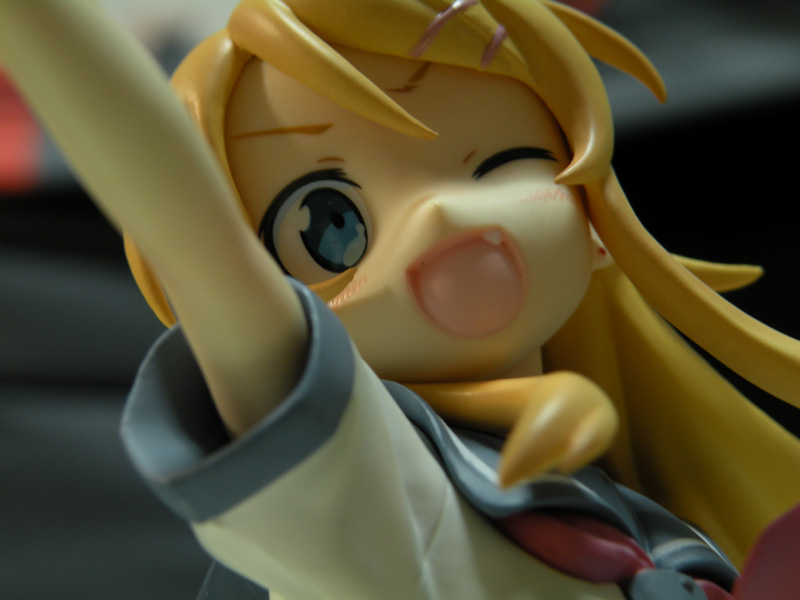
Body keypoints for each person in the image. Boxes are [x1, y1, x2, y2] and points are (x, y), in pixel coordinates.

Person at [2, 1, 799, 598]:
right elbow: (191, 232)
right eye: (331, 227)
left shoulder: (647, 507)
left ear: (597, 222)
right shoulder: (378, 493)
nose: (440, 215)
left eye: (499, 163)